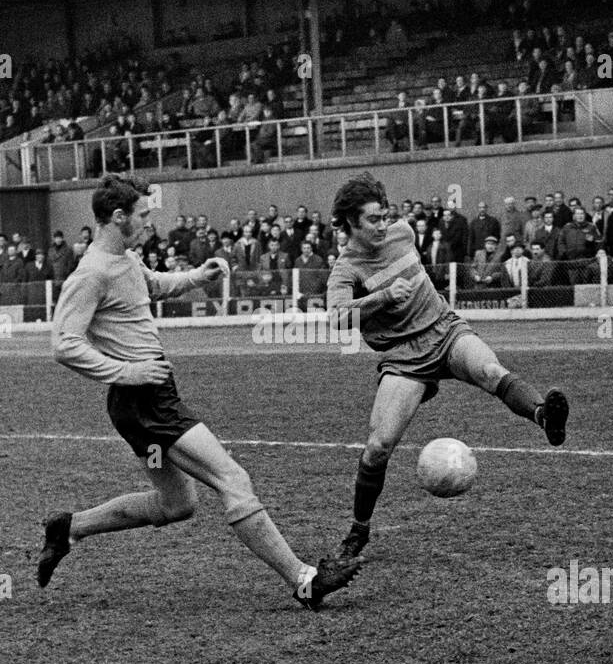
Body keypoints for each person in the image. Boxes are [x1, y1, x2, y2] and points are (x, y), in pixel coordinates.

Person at [39, 174, 362, 610]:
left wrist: (197, 276)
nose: (149, 222)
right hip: (146, 402)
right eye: (142, 215)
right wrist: (125, 371)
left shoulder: (124, 260)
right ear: (117, 217)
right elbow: (64, 343)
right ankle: (303, 579)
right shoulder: (91, 272)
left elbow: (150, 285)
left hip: (140, 405)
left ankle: (69, 527)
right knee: (232, 479)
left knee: (177, 504)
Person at [325, 173, 568, 559]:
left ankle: (543, 415)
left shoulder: (403, 232)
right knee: (378, 447)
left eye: (384, 215)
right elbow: (336, 318)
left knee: (490, 371)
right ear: (350, 223)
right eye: (373, 219)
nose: (383, 224)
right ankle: (359, 531)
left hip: (444, 329)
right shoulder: (346, 269)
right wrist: (383, 297)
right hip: (404, 356)